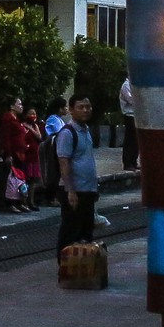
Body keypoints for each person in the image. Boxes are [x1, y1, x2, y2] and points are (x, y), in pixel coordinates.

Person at [56, 96, 100, 248]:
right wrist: (70, 190)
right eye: (81, 107)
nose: (86, 110)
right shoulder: (67, 133)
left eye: (88, 107)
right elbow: (63, 162)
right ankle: (65, 266)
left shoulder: (86, 130)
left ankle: (82, 269)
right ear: (71, 110)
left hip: (87, 189)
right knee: (71, 232)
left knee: (86, 232)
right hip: (75, 191)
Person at [0, 96, 30, 212]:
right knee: (12, 178)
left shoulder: (16, 119)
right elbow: (6, 137)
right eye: (19, 104)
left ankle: (19, 201)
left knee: (20, 178)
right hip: (13, 153)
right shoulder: (7, 118)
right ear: (12, 106)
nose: (21, 107)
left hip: (20, 153)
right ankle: (9, 202)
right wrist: (8, 154)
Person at [20, 106, 45, 212]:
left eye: (34, 114)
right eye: (30, 113)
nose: (33, 116)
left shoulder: (35, 126)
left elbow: (39, 137)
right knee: (25, 180)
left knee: (33, 181)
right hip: (26, 156)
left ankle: (31, 201)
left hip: (35, 156)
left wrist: (31, 128)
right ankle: (23, 201)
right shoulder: (21, 126)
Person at [119, 76, 139, 173]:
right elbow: (131, 100)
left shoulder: (134, 85)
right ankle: (128, 163)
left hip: (136, 115)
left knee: (136, 140)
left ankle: (133, 161)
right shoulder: (126, 86)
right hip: (129, 115)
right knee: (130, 139)